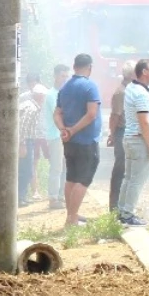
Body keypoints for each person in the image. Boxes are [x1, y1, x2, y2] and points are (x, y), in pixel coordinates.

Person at [54, 54, 101, 229]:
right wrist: (72, 130)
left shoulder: (65, 87)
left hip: (69, 142)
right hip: (86, 141)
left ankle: (71, 216)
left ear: (74, 67)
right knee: (83, 180)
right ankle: (72, 218)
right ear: (90, 67)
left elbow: (57, 113)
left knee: (71, 178)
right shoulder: (90, 86)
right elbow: (91, 114)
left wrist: (63, 129)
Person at [117, 60, 149, 226]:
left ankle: (122, 212)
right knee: (137, 180)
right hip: (139, 140)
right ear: (144, 72)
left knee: (128, 178)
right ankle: (128, 215)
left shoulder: (133, 88)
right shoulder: (141, 94)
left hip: (130, 139)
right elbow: (144, 122)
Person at [43, 64, 69, 210]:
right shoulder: (52, 94)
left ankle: (60, 196)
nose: (64, 79)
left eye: (66, 76)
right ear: (55, 76)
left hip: (63, 134)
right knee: (56, 167)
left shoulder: (62, 93)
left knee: (64, 166)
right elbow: (58, 115)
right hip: (55, 135)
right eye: (62, 76)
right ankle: (53, 198)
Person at [106, 70, 131, 213]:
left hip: (127, 132)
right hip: (122, 132)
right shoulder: (121, 92)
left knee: (127, 171)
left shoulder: (130, 90)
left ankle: (122, 206)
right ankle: (114, 207)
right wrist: (113, 134)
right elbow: (115, 116)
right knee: (120, 170)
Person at [17, 89, 40, 207]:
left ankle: (22, 196)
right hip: (26, 140)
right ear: (39, 96)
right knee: (25, 170)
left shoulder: (27, 105)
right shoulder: (32, 108)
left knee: (23, 168)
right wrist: (22, 144)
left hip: (24, 140)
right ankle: (20, 197)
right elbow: (23, 126)